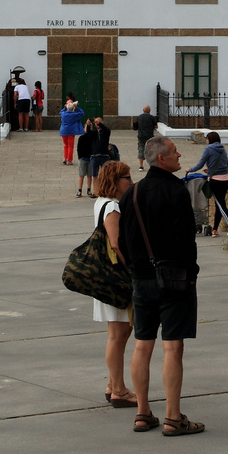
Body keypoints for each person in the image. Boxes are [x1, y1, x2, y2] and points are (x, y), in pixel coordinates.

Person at [119, 136, 204, 436]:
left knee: (142, 345)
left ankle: (142, 413)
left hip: (141, 279)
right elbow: (186, 239)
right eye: (175, 151)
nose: (180, 154)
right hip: (175, 278)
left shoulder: (133, 193)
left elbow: (122, 242)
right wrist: (190, 274)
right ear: (162, 159)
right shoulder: (176, 191)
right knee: (173, 347)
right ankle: (173, 416)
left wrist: (136, 268)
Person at [93, 160, 137, 407]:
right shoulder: (112, 207)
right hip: (116, 278)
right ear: (115, 181)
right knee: (119, 334)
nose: (130, 182)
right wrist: (131, 268)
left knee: (117, 333)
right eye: (126, 178)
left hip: (105, 277)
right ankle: (119, 389)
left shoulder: (102, 203)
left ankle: (113, 385)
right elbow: (116, 243)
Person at [186, 130, 228, 237]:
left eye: (207, 139)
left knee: (221, 205)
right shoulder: (223, 149)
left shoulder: (208, 149)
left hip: (215, 181)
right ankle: (214, 229)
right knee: (219, 204)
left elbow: (200, 164)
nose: (206, 141)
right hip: (225, 179)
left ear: (210, 140)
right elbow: (224, 165)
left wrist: (189, 169)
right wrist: (210, 170)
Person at [59, 96, 85, 165]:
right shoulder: (74, 115)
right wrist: (77, 107)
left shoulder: (63, 114)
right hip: (71, 132)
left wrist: (65, 107)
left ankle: (65, 158)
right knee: (70, 146)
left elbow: (60, 112)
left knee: (65, 145)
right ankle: (69, 160)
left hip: (64, 131)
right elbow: (82, 113)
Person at [90, 116, 111, 195]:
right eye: (96, 122)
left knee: (105, 174)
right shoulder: (94, 133)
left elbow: (106, 129)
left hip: (104, 155)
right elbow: (88, 133)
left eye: (99, 122)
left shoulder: (106, 132)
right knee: (94, 175)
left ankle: (105, 190)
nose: (97, 123)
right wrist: (88, 124)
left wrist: (99, 123)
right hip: (94, 155)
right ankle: (95, 191)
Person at [133, 105, 156, 172]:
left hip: (141, 136)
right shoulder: (151, 117)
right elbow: (156, 126)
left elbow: (135, 127)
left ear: (143, 110)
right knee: (151, 150)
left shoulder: (139, 117)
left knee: (141, 149)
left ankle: (141, 166)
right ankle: (152, 165)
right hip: (150, 136)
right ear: (149, 111)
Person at [76, 118, 96, 198]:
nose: (89, 128)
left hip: (90, 158)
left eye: (90, 127)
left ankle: (89, 189)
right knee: (81, 175)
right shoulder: (82, 138)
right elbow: (78, 148)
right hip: (83, 158)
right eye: (88, 127)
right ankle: (79, 189)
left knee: (89, 175)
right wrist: (80, 157)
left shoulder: (93, 136)